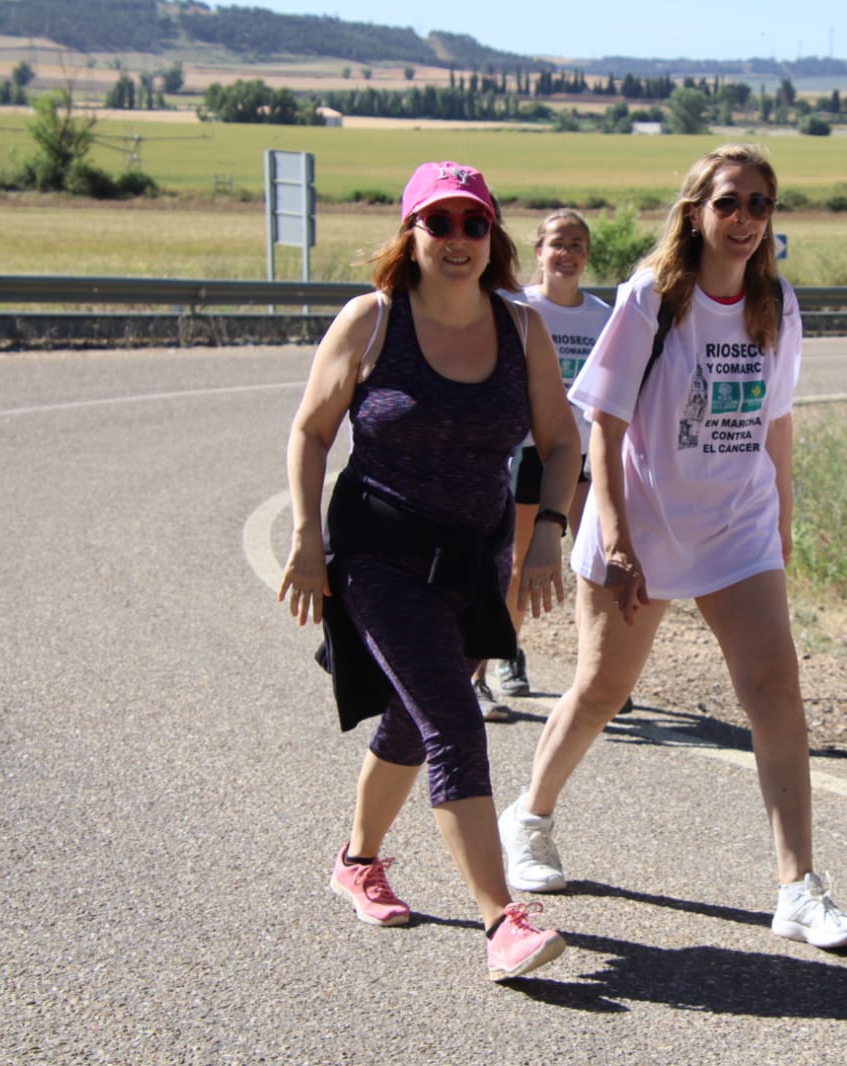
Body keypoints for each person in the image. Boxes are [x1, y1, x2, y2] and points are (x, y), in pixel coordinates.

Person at [497, 143, 847, 950]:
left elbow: (776, 421)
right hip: (643, 519)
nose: (744, 220)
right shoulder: (650, 298)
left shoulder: (777, 302)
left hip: (736, 526)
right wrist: (620, 539)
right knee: (600, 689)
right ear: (696, 211)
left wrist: (782, 523)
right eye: (729, 203)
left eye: (760, 205)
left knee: (775, 688)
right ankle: (528, 818)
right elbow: (602, 420)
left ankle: (798, 888)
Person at [279, 160, 581, 981]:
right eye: (438, 223)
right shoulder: (373, 320)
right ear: (409, 235)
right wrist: (308, 539)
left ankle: (355, 861)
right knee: (453, 718)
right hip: (379, 554)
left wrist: (547, 532)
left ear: (493, 239)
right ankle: (504, 921)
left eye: (472, 224)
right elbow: (311, 433)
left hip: (477, 559)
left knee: (414, 721)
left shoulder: (521, 330)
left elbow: (560, 442)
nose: (456, 239)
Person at [472, 210, 636, 717]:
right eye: (558, 244)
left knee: (597, 565)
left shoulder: (604, 315)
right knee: (518, 566)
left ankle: (601, 678)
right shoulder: (514, 306)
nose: (568, 253)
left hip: (589, 454)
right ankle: (491, 666)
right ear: (539, 252)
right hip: (529, 451)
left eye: (578, 244)